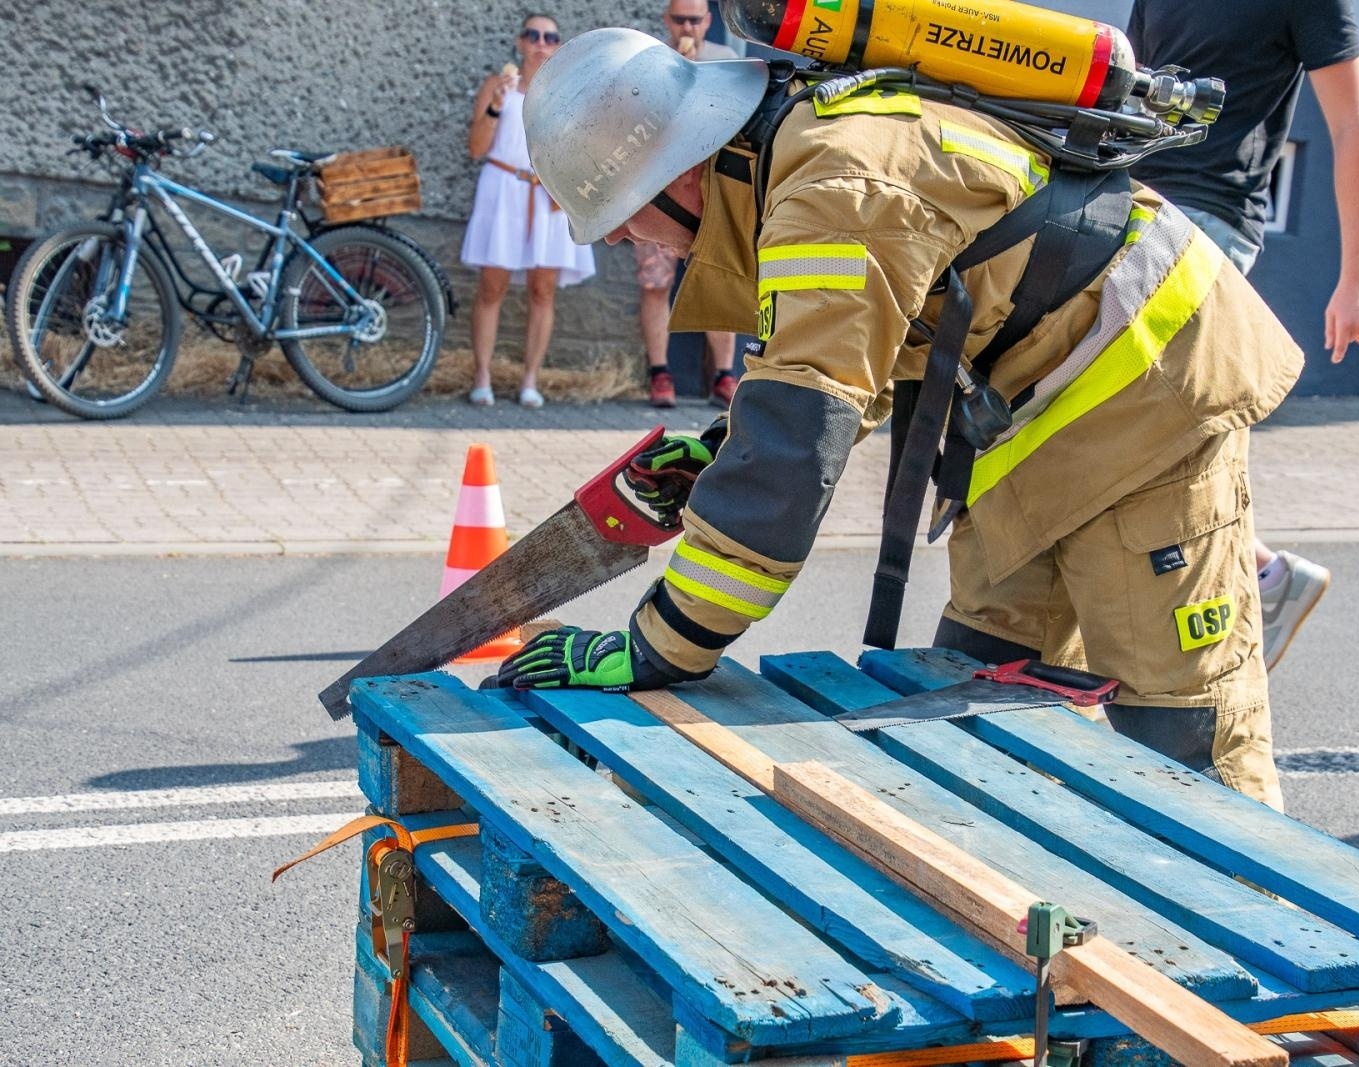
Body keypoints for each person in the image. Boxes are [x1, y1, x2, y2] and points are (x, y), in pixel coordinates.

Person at [507, 28, 1307, 809]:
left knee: (1180, 734)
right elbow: (840, 370)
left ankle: (1267, 925)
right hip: (1029, 414)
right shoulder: (798, 162)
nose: (615, 235)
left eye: (616, 213)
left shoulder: (830, 188)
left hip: (1146, 392)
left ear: (678, 176)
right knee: (976, 687)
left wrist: (658, 647)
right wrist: (723, 452)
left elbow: (788, 467)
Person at [1127, 0, 1359, 671]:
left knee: (1139, 421)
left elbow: (1354, 126)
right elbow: (1127, 91)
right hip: (1128, 203)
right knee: (1138, 430)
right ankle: (1262, 575)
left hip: (1211, 219)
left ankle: (1252, 581)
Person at [460, 13, 595, 408]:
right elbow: (475, 148)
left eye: (550, 37)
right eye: (533, 35)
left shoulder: (568, 93)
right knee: (492, 285)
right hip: (503, 189)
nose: (540, 42)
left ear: (558, 46)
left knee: (543, 289)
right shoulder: (497, 85)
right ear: (520, 42)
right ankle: (482, 374)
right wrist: (496, 106)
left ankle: (530, 379)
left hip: (547, 192)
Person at [636, 0, 740, 409]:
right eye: (679, 19)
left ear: (708, 22)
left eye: (695, 20)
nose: (687, 27)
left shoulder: (726, 60)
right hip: (659, 193)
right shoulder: (652, 61)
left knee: (717, 280)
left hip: (712, 192)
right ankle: (660, 374)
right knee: (655, 283)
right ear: (667, 20)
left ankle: (724, 375)